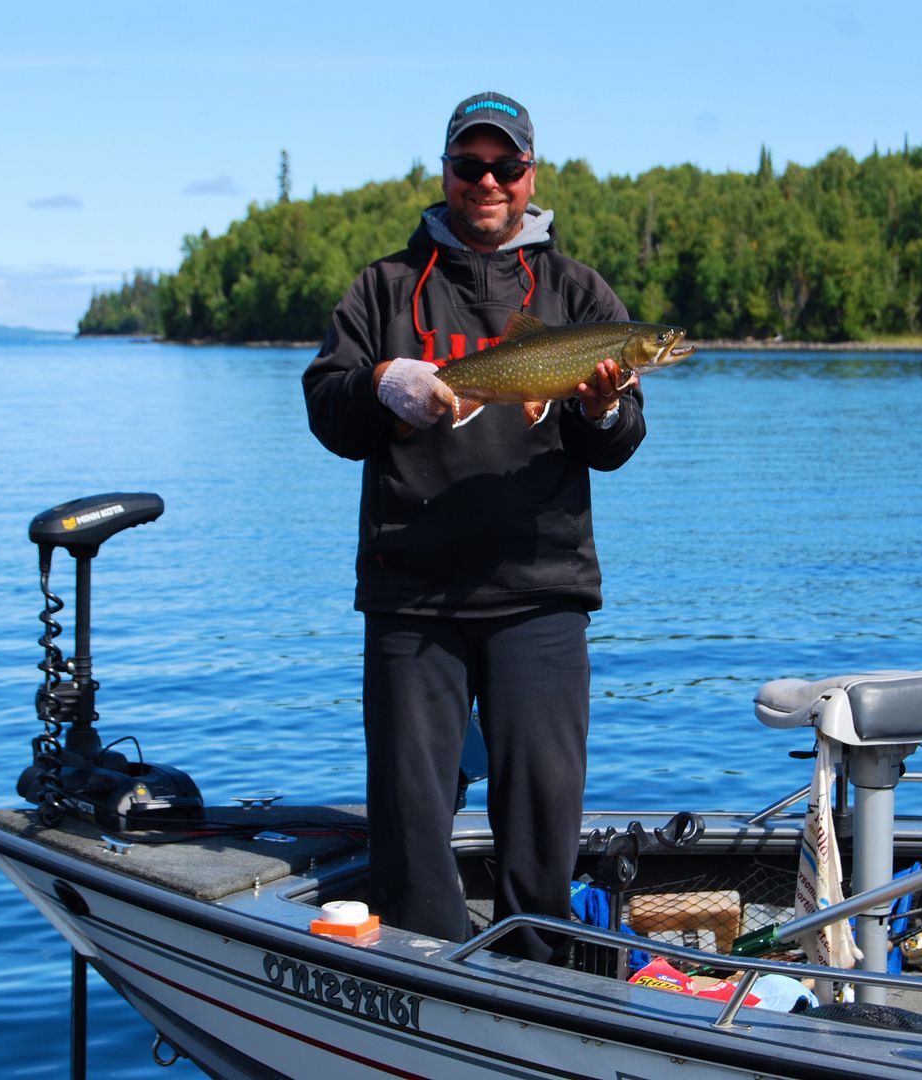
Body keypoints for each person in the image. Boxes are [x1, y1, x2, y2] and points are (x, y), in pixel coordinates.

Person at [301, 91, 646, 963]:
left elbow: (617, 444)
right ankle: (421, 980)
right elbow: (328, 414)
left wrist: (601, 410)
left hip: (542, 592)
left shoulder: (576, 292)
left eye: (504, 166)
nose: (487, 182)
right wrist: (381, 388)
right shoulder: (382, 288)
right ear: (447, 171)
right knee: (410, 824)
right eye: (469, 165)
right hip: (411, 596)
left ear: (530, 174)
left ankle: (539, 984)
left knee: (543, 820)